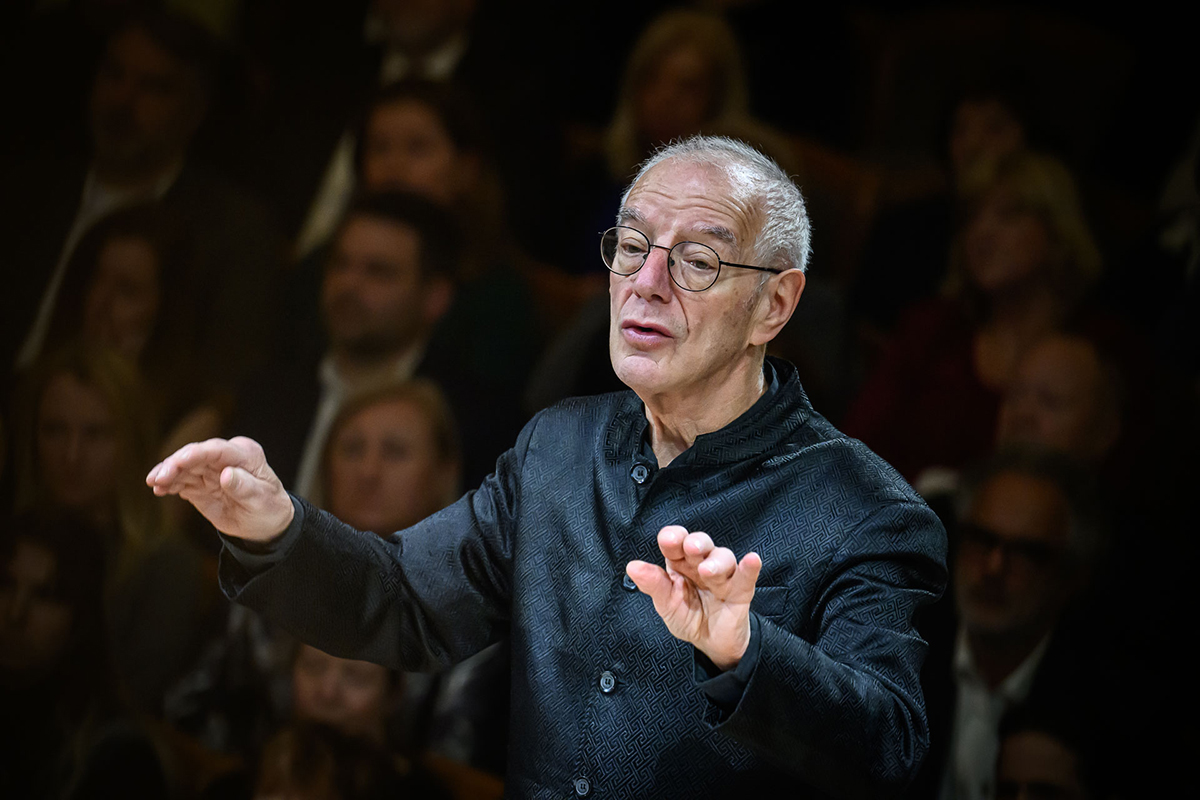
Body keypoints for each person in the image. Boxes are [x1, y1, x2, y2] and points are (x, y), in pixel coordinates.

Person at [147, 135, 947, 798]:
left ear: (775, 304)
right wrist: (276, 526)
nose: (647, 283)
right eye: (631, 247)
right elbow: (408, 602)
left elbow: (893, 748)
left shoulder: (868, 511)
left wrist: (747, 653)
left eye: (697, 261)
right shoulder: (556, 450)